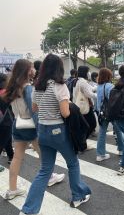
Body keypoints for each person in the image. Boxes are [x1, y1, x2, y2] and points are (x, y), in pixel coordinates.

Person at [20, 54, 91, 214]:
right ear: (59, 68)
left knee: (45, 170)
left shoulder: (37, 87)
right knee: (72, 163)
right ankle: (78, 196)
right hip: (58, 131)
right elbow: (65, 113)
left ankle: (29, 209)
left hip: (43, 132)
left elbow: (35, 109)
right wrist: (69, 104)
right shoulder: (59, 86)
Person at [3, 59, 64, 201]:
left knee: (17, 157)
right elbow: (34, 111)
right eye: (32, 68)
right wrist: (41, 128)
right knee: (43, 154)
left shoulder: (11, 87)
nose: (35, 70)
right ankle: (49, 177)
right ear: (27, 70)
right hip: (30, 126)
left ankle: (12, 189)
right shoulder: (27, 88)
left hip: (17, 124)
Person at [96, 68, 124, 161]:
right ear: (108, 76)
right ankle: (122, 150)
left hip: (101, 112)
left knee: (102, 132)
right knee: (118, 130)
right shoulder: (110, 86)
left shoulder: (98, 86)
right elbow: (113, 100)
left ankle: (100, 154)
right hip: (111, 112)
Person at [73, 66, 97, 139]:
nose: (89, 73)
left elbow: (91, 89)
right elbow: (89, 94)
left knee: (85, 125)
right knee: (92, 124)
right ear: (85, 72)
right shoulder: (83, 82)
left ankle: (82, 141)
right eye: (88, 71)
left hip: (79, 105)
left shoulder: (77, 80)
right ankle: (82, 141)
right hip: (85, 107)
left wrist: (99, 86)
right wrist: (98, 95)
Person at [0, 73, 14, 165]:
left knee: (7, 139)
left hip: (3, 121)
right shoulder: (5, 93)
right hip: (5, 121)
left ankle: (11, 156)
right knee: (2, 142)